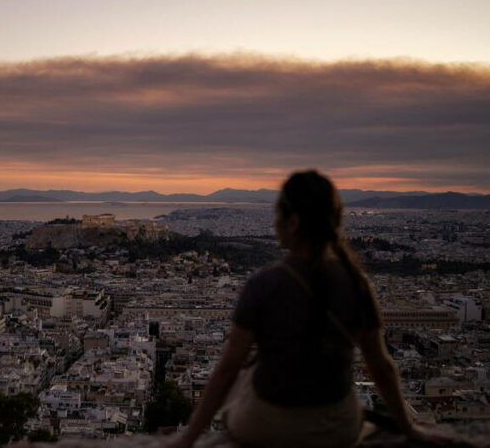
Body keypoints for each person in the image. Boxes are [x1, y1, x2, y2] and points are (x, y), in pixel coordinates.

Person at [166, 170, 442, 448]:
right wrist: (409, 428)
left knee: (245, 378)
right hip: (337, 428)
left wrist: (188, 438)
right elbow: (380, 365)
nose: (275, 224)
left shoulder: (264, 283)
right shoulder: (356, 283)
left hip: (265, 426)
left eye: (278, 216)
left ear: (293, 222)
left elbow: (227, 369)